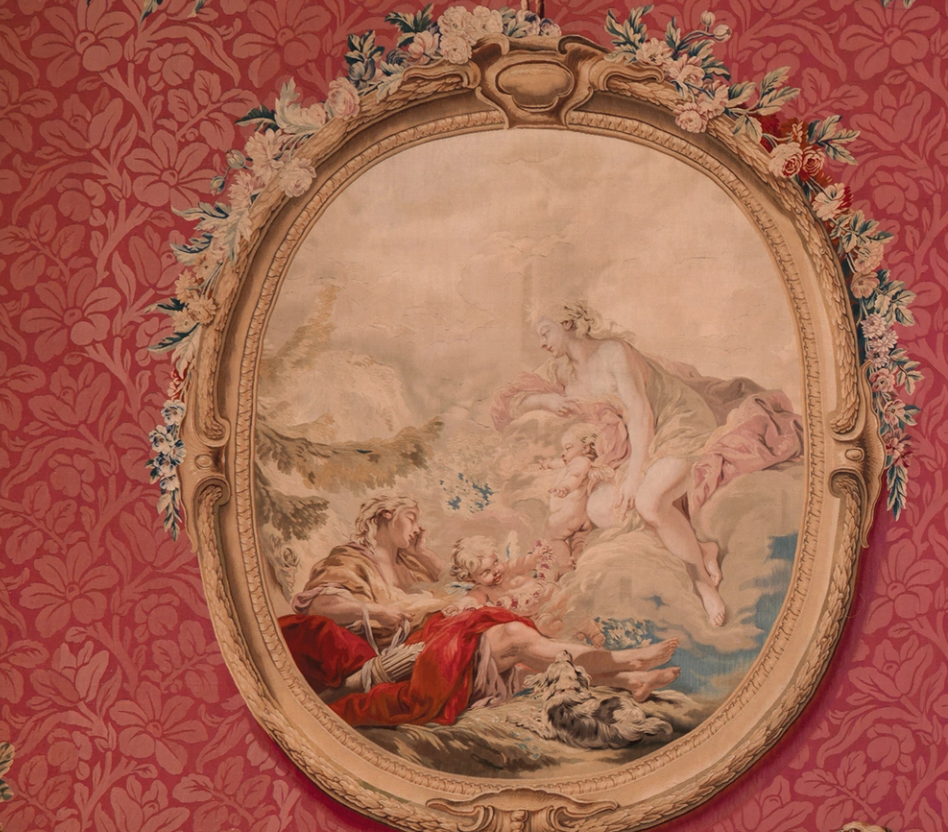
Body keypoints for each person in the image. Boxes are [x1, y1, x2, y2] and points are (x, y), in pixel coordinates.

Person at [496, 305, 804, 630]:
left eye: (545, 332)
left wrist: (634, 477)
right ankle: (702, 548)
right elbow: (507, 404)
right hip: (633, 444)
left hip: (675, 424)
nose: (542, 343)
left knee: (647, 502)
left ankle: (701, 581)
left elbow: (641, 414)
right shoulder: (560, 370)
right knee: (600, 509)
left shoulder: (613, 352)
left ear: (567, 322)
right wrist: (544, 401)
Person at [279, 493, 676, 730]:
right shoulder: (351, 558)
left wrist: (420, 551)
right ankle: (627, 661)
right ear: (386, 515)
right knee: (515, 639)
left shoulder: (409, 560)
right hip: (409, 655)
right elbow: (318, 604)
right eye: (411, 519)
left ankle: (629, 680)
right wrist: (379, 613)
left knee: (526, 660)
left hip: (437, 635)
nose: (416, 528)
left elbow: (450, 580)